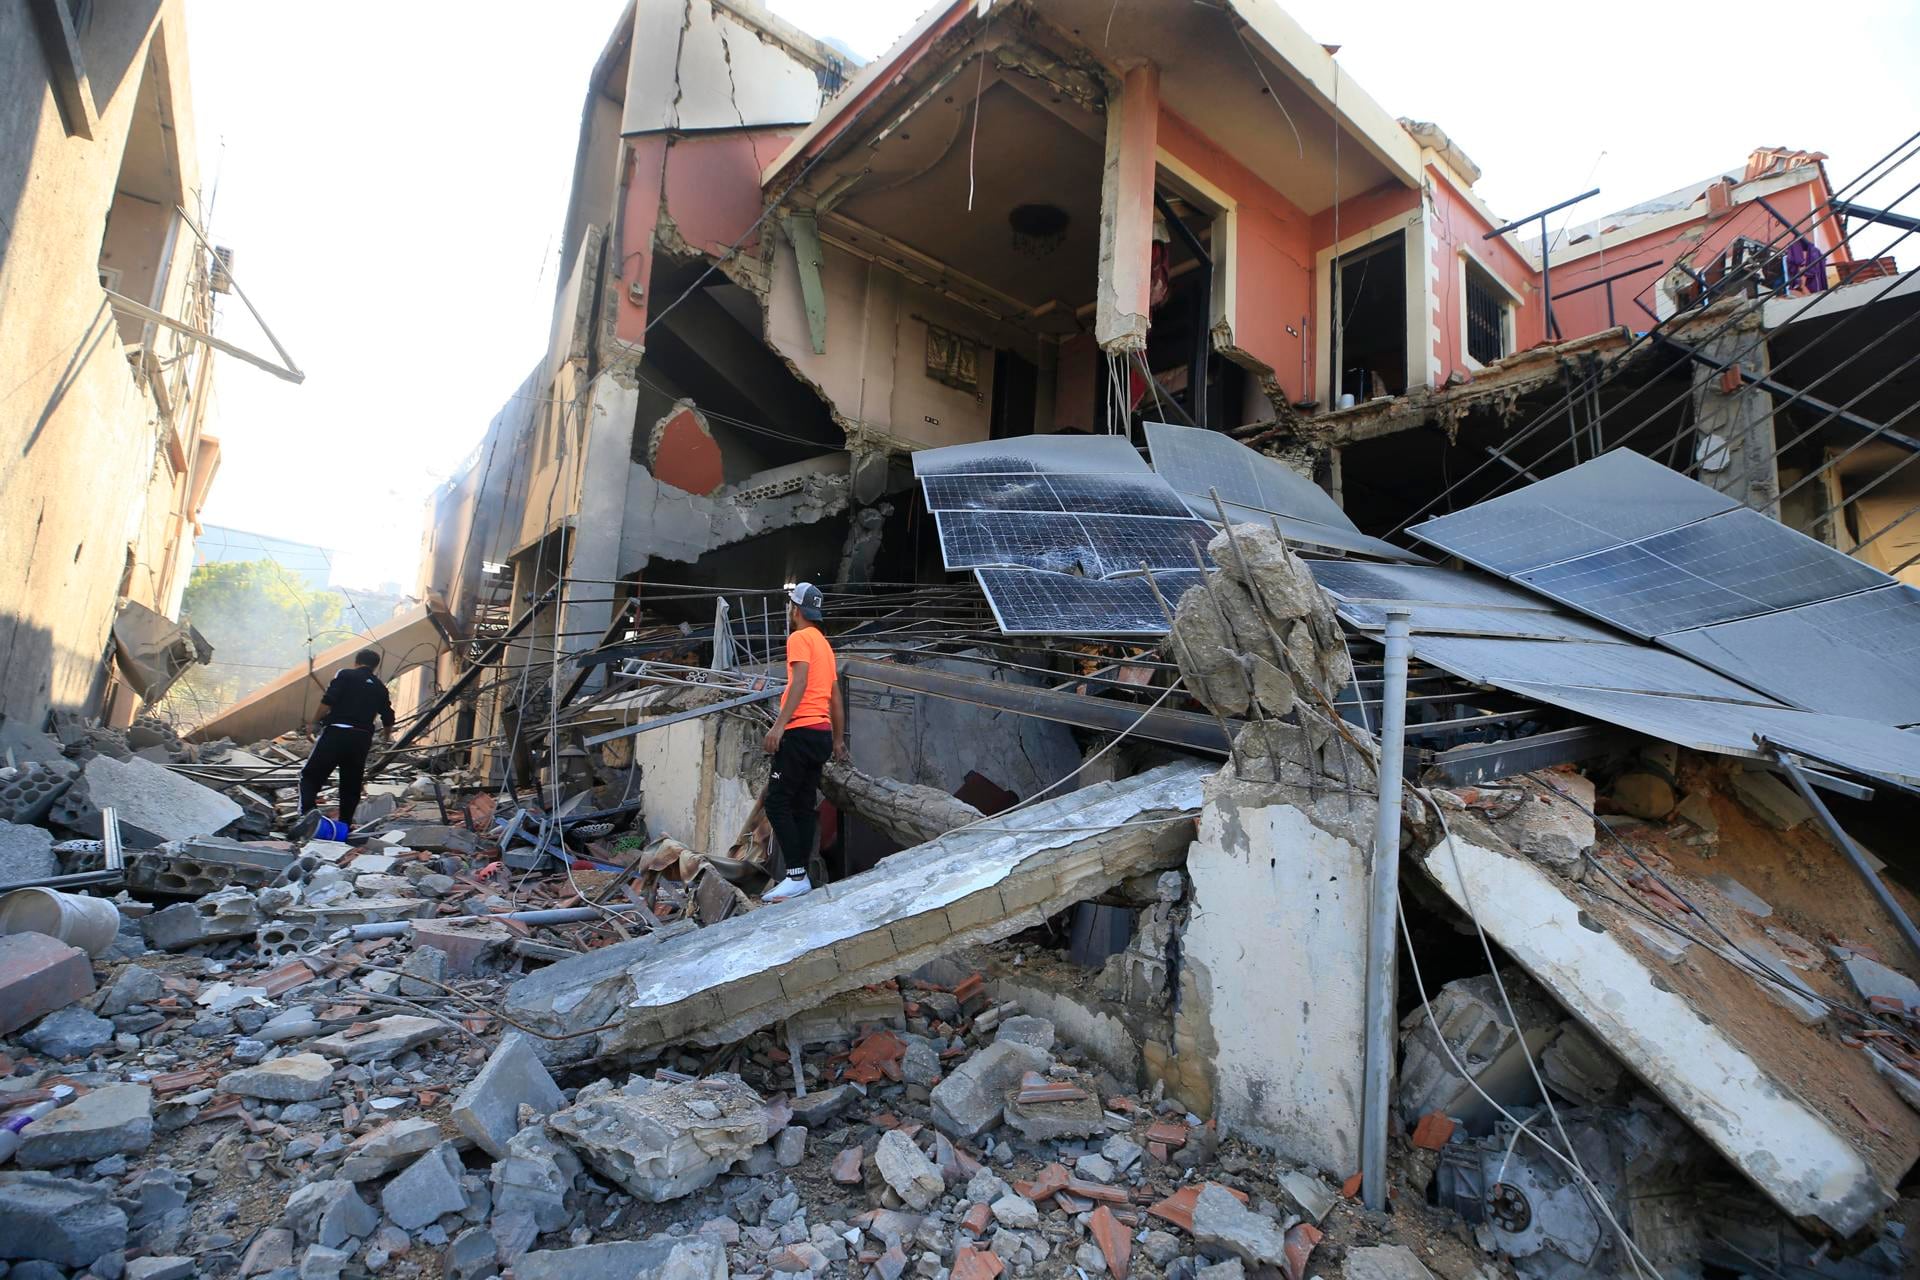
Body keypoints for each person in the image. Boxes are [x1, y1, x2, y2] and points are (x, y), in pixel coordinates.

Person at [760, 581, 845, 902]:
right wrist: (837, 739)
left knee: (777, 801)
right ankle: (802, 875)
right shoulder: (824, 644)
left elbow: (801, 682)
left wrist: (779, 727)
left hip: (799, 731)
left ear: (795, 609)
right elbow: (835, 697)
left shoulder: (798, 638)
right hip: (821, 735)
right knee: (803, 804)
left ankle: (796, 875)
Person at [296, 648, 394, 835]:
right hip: (361, 739)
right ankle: (343, 827)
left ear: (356, 662)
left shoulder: (345, 674)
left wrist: (314, 723)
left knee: (310, 776)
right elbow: (389, 716)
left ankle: (307, 816)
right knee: (351, 784)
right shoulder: (380, 687)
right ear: (375, 667)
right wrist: (387, 737)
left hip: (336, 733)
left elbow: (328, 700)